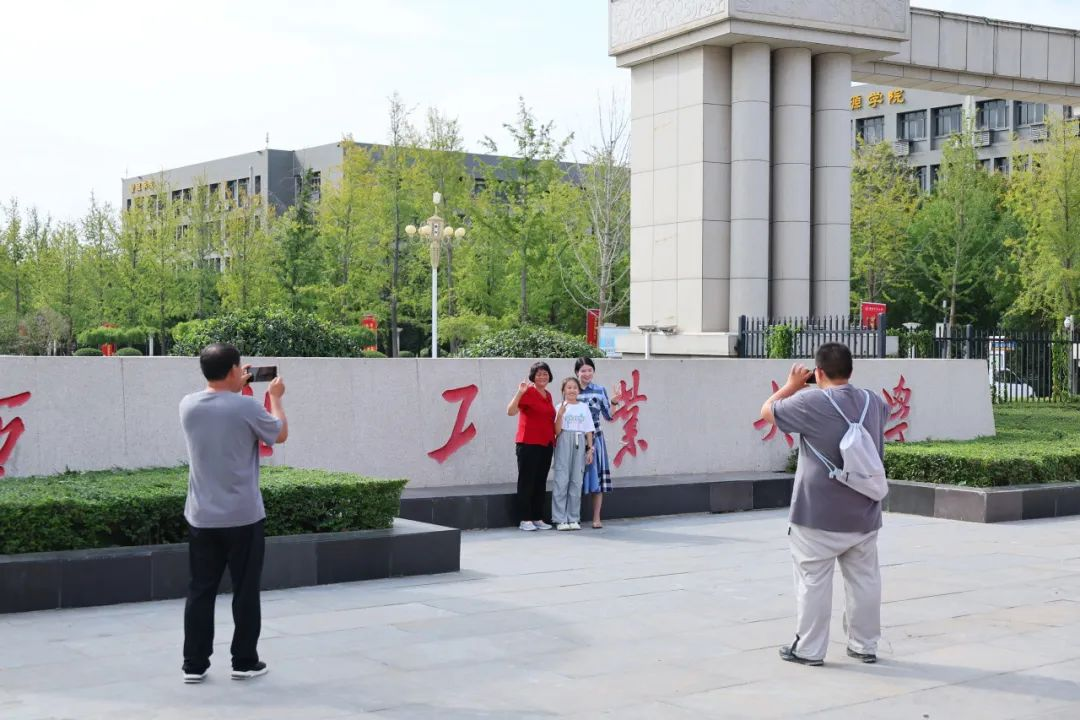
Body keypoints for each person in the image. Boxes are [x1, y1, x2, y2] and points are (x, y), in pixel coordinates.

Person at [759, 342, 888, 667]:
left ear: (818, 373)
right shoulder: (873, 401)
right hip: (864, 513)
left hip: (817, 514)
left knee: (813, 581)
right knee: (865, 581)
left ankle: (809, 649)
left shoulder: (811, 401)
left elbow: (768, 411)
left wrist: (791, 385)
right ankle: (864, 645)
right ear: (850, 370)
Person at [179, 343, 289, 684]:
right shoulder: (247, 407)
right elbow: (280, 433)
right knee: (245, 590)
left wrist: (234, 387)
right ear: (232, 370)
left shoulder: (187, 405)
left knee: (201, 590)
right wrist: (276, 398)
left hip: (202, 516)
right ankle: (244, 661)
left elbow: (221, 409)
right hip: (243, 515)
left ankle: (194, 664)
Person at [506, 362, 556, 532]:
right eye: (539, 374)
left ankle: (537, 517)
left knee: (540, 482)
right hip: (528, 443)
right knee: (527, 482)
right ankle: (525, 519)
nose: (542, 377)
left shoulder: (548, 395)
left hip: (546, 444)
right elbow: (510, 411)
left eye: (545, 373)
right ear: (533, 377)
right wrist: (519, 393)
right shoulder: (528, 392)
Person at [575, 357, 618, 529]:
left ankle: (596, 517)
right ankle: (573, 516)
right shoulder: (572, 389)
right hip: (576, 439)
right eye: (583, 371)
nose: (586, 374)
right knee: (575, 478)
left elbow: (609, 416)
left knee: (597, 479)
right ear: (577, 372)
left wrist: (614, 402)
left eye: (589, 370)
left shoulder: (600, 390)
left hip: (596, 438)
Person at [551, 377, 595, 531]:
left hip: (579, 441)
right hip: (564, 440)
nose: (572, 390)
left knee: (577, 481)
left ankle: (573, 518)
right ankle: (559, 519)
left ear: (579, 390)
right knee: (561, 480)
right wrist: (560, 415)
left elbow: (589, 430)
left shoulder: (584, 407)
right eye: (568, 387)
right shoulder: (559, 406)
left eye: (575, 387)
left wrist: (590, 449)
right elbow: (556, 431)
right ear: (563, 390)